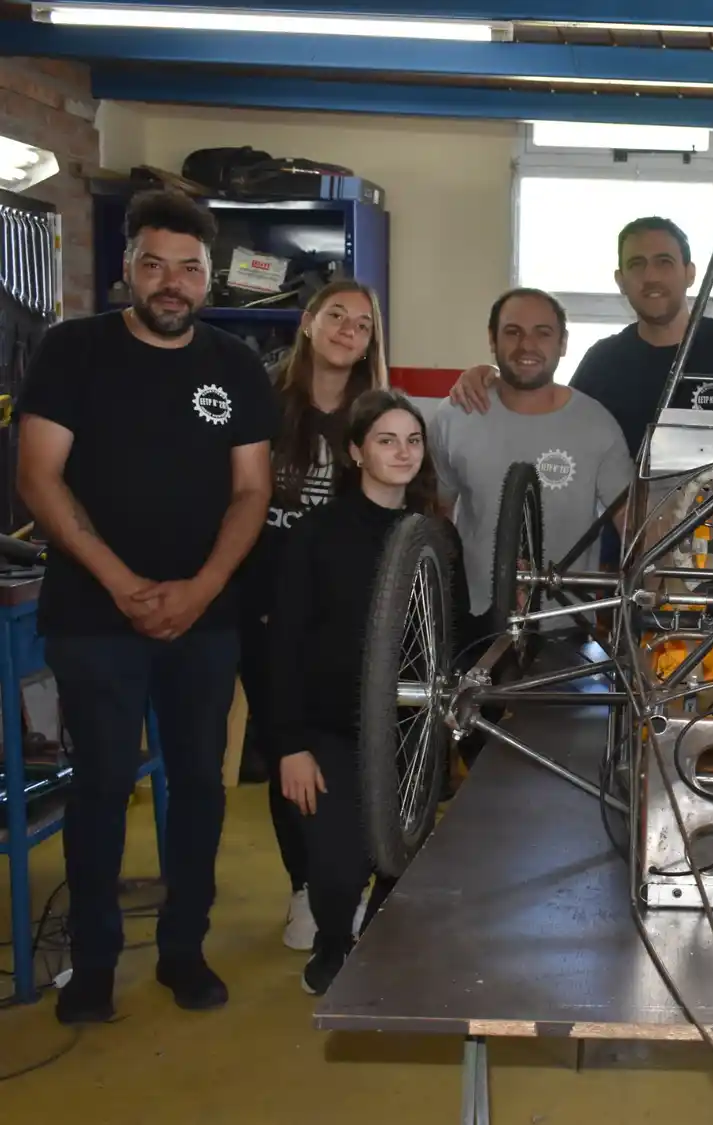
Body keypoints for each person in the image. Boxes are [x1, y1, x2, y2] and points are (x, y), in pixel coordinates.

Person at [17, 190, 277, 1023]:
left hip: (206, 619)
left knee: (199, 783)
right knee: (98, 786)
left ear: (210, 277)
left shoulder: (236, 364)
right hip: (94, 619)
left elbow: (251, 491)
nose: (172, 283)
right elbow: (37, 476)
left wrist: (198, 590)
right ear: (127, 265)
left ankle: (181, 949)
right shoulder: (72, 351)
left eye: (190, 268)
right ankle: (91, 964)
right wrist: (121, 583)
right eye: (155, 264)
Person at [269, 389, 445, 995]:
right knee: (340, 865)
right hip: (331, 728)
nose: (402, 452)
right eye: (386, 440)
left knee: (404, 851)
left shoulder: (432, 536)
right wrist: (289, 745)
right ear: (356, 451)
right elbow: (284, 643)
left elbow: (457, 639)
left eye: (413, 441)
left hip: (407, 730)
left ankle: (376, 935)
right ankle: (332, 939)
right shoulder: (318, 533)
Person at [237, 279, 389, 953]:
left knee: (349, 746)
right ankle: (304, 882)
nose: (348, 329)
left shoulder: (377, 413)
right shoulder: (261, 401)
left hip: (346, 619)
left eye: (362, 322)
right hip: (265, 610)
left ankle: (347, 878)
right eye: (336, 315)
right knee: (285, 746)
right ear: (307, 322)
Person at [446, 217, 713, 455]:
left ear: (690, 273)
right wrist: (489, 379)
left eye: (664, 262)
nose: (650, 277)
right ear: (620, 280)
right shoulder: (603, 362)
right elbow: (549, 419)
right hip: (627, 539)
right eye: (637, 264)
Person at [428, 287, 633, 646]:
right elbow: (433, 514)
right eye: (512, 332)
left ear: (563, 343)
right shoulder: (456, 415)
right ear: (492, 340)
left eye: (543, 332)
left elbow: (633, 525)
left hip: (565, 630)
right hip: (470, 625)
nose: (527, 345)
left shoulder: (596, 424)